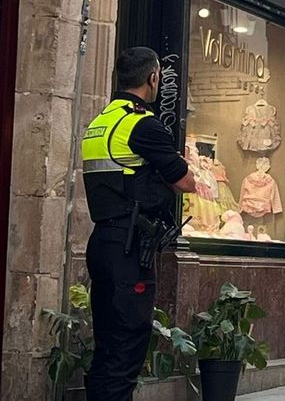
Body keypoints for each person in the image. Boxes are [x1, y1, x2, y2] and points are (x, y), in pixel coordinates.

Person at [81, 47, 197, 400]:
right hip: (130, 249)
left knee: (108, 344)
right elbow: (185, 182)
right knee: (129, 341)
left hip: (102, 241)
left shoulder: (100, 121)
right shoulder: (142, 124)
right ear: (153, 78)